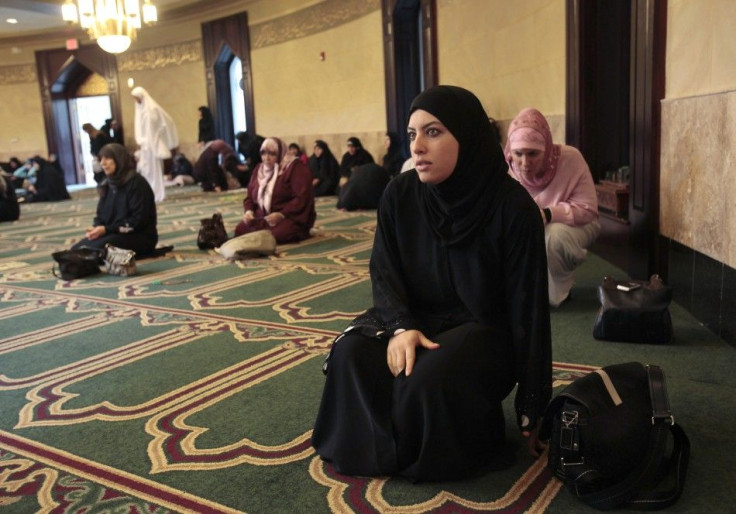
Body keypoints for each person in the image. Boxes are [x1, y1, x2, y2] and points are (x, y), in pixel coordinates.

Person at [312, 85, 552, 482]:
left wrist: (533, 405)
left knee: (425, 379)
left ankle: (413, 443)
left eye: (434, 132)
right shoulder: (400, 194)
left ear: (468, 136)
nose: (417, 146)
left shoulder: (512, 209)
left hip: (481, 329)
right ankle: (387, 444)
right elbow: (384, 271)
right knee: (350, 355)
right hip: (414, 318)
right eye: (411, 135)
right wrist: (401, 327)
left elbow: (529, 310)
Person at [505, 107, 600, 307]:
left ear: (546, 148)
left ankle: (559, 291)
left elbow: (588, 209)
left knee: (553, 236)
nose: (524, 163)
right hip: (529, 227)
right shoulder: (506, 167)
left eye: (533, 154)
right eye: (518, 154)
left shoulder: (571, 158)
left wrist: (549, 214)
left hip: (576, 223)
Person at [71, 143, 158, 256]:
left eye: (107, 158)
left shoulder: (136, 183)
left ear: (119, 159)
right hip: (114, 233)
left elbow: (138, 221)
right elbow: (100, 215)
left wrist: (107, 230)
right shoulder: (108, 184)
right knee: (76, 249)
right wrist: (96, 228)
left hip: (139, 237)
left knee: (91, 251)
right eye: (101, 159)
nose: (103, 163)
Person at [233, 137, 316, 244]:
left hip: (289, 217)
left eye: (272, 154)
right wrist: (249, 211)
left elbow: (301, 198)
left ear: (280, 153)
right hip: (263, 217)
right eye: (263, 154)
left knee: (276, 235)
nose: (266, 158)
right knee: (240, 230)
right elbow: (249, 197)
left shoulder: (295, 168)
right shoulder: (259, 169)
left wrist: (282, 214)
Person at [131, 86, 179, 203]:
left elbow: (163, 123)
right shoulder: (140, 109)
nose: (135, 100)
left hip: (153, 146)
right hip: (145, 147)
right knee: (146, 170)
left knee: (155, 170)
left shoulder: (152, 109)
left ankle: (157, 193)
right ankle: (149, 192)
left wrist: (155, 137)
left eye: (136, 97)